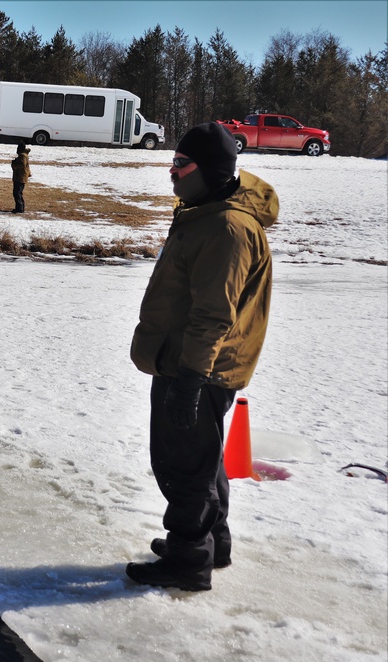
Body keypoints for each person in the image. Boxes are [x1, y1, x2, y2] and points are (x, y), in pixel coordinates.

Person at [126, 122, 277, 592]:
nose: (171, 173)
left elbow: (213, 314)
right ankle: (213, 542)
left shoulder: (225, 227)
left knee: (184, 462)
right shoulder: (206, 210)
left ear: (209, 172)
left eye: (181, 165)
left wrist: (190, 380)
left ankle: (189, 559)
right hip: (193, 361)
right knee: (203, 457)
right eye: (172, 163)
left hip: (198, 366)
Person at [11, 142, 31, 213]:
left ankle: (20, 208)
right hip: (21, 177)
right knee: (18, 193)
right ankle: (20, 208)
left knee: (17, 193)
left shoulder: (22, 155)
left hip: (20, 177)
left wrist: (14, 164)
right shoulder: (24, 155)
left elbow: (22, 165)